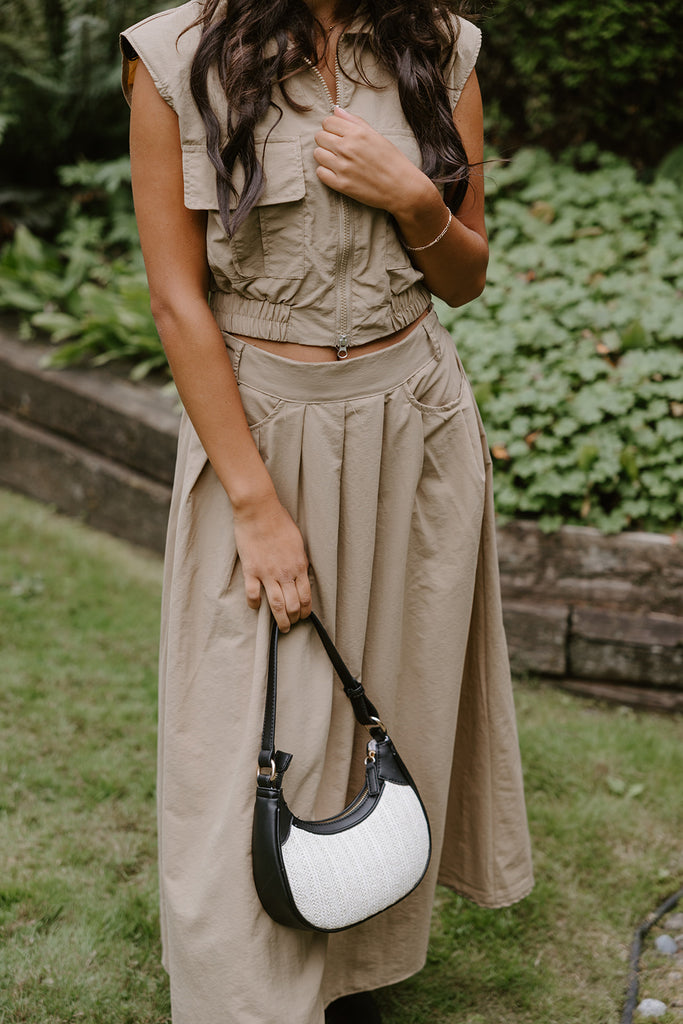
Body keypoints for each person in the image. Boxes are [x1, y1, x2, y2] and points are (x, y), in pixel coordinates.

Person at [121, 1, 534, 1021]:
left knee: (389, 713)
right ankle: (239, 993)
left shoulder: (440, 48)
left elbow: (464, 275)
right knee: (245, 729)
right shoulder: (171, 58)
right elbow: (177, 300)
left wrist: (414, 200)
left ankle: (349, 975)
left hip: (413, 431)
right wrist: (256, 507)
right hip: (263, 436)